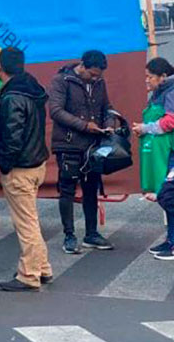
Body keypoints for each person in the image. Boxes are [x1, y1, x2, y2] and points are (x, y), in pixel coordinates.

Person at [0, 47, 53, 292]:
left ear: (0, 66)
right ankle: (42, 267)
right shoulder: (32, 90)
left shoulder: (12, 97)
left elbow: (12, 136)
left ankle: (29, 275)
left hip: (20, 168)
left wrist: (5, 164)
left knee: (25, 223)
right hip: (36, 162)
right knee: (30, 220)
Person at [49, 50, 117, 253]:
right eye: (93, 74)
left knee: (91, 189)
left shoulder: (99, 83)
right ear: (82, 66)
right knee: (67, 190)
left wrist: (109, 123)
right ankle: (69, 236)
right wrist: (84, 125)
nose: (96, 78)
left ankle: (91, 233)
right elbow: (55, 111)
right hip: (68, 144)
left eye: (99, 75)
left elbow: (107, 107)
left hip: (93, 145)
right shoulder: (62, 80)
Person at [132, 57, 174, 260]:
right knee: (167, 197)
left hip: (170, 151)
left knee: (169, 196)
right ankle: (171, 240)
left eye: (150, 77)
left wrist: (146, 128)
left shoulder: (171, 91)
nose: (146, 81)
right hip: (163, 152)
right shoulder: (160, 92)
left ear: (163, 77)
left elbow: (169, 122)